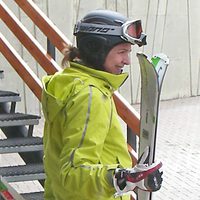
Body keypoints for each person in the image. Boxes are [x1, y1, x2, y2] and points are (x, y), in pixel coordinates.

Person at [41, 9, 163, 200]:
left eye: (128, 52)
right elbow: (73, 172)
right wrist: (122, 179)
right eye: (122, 52)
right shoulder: (90, 95)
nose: (127, 61)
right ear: (96, 48)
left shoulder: (68, 82)